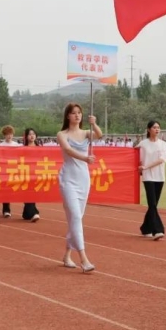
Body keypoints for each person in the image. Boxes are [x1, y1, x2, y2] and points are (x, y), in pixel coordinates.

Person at [56, 102, 102, 273]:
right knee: (75, 216)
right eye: (74, 113)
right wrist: (85, 158)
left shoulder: (86, 133)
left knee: (76, 218)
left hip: (83, 179)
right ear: (68, 116)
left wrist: (94, 123)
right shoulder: (62, 134)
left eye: (79, 113)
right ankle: (84, 259)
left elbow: (99, 135)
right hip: (68, 179)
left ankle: (67, 255)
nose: (77, 115)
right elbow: (68, 150)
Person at [138, 120, 166, 240]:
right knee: (152, 203)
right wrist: (140, 168)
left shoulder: (163, 144)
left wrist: (146, 166)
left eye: (158, 127)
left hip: (159, 176)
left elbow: (161, 159)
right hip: (148, 177)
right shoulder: (143, 144)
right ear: (148, 129)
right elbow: (135, 156)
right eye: (154, 127)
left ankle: (145, 228)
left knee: (154, 204)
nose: (157, 129)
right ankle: (158, 230)